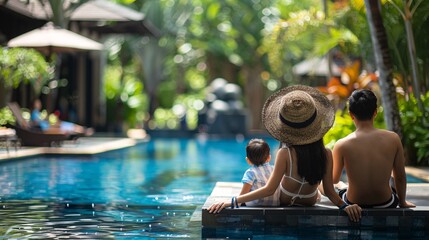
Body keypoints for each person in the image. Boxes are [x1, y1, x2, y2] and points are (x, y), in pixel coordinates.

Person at [207, 85, 362, 222]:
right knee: (322, 186)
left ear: (286, 126)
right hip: (310, 200)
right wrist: (344, 206)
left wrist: (233, 201)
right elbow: (329, 191)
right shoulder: (326, 153)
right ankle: (342, 187)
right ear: (315, 125)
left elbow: (270, 189)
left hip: (286, 199)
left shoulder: (285, 153)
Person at [332, 89, 415, 208]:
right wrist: (402, 202)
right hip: (386, 202)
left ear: (351, 114)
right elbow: (400, 177)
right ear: (375, 112)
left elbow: (333, 180)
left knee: (337, 185)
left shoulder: (342, 144)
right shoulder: (393, 139)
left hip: (353, 202)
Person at [240, 138, 280, 206]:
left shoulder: (250, 173)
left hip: (255, 209)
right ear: (269, 157)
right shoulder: (275, 170)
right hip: (274, 207)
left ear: (248, 160)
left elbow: (242, 196)